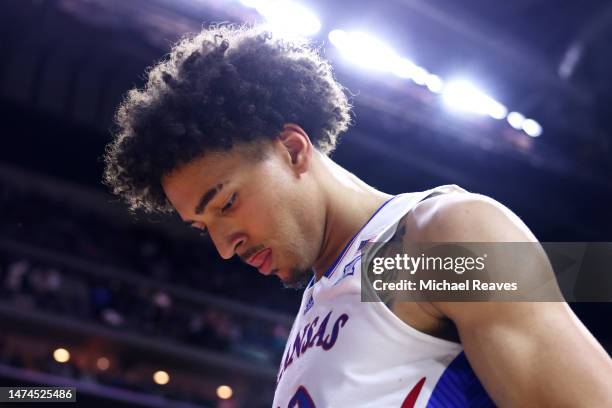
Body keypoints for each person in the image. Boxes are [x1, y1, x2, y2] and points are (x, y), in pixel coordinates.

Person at [103, 25, 612, 407]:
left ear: (293, 150)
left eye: (227, 203)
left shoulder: (430, 243)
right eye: (203, 227)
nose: (223, 246)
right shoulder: (318, 301)